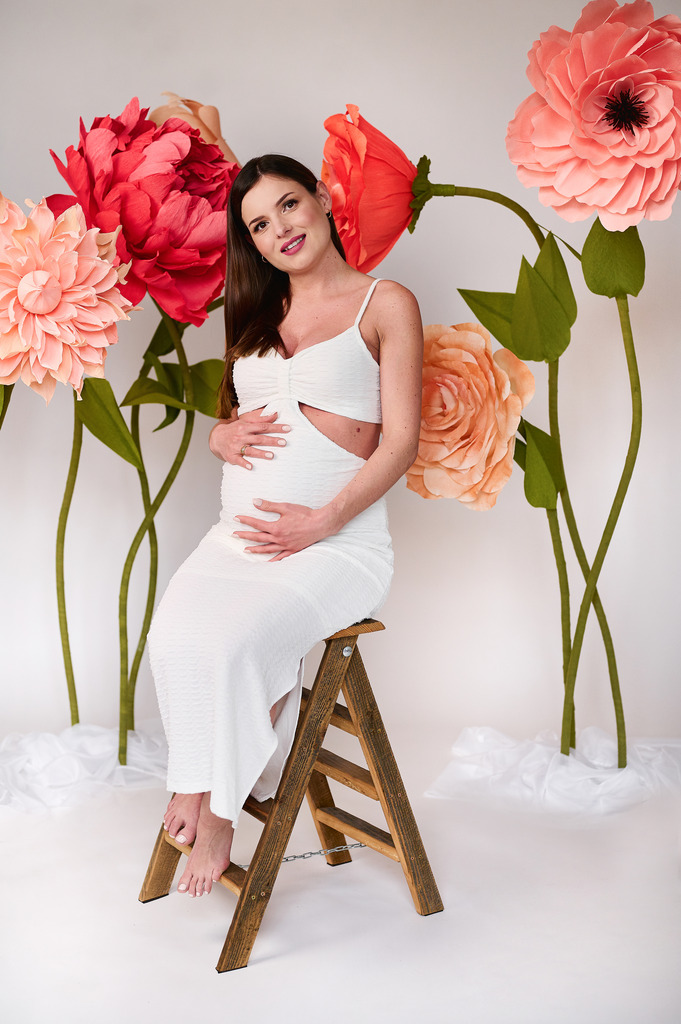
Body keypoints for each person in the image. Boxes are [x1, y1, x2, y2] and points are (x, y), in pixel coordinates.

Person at [147, 154, 423, 899]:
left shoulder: (385, 303)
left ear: (323, 200)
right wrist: (217, 436)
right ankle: (194, 777)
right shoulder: (258, 310)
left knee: (237, 643)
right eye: (260, 226)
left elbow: (400, 442)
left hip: (338, 547)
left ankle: (217, 810)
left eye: (290, 205)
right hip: (237, 538)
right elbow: (236, 417)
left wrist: (321, 522)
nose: (281, 230)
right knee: (172, 635)